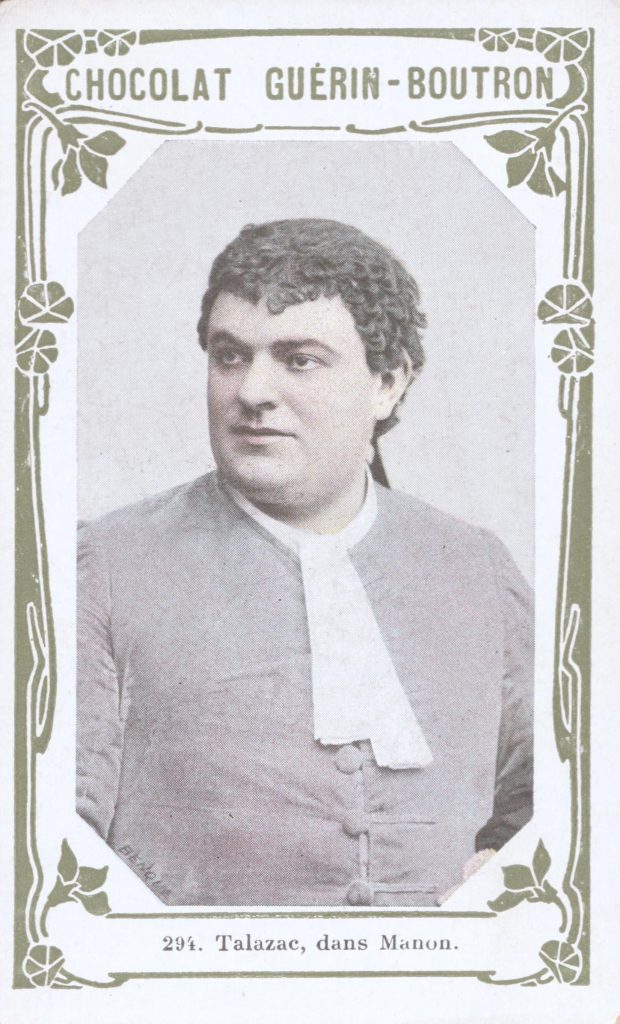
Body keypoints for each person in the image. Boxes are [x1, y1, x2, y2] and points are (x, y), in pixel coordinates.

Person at [76, 218, 533, 907]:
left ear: (387, 383)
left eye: (299, 360)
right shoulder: (104, 568)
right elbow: (48, 849)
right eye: (230, 356)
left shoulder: (477, 569)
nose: (251, 391)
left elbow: (562, 800)